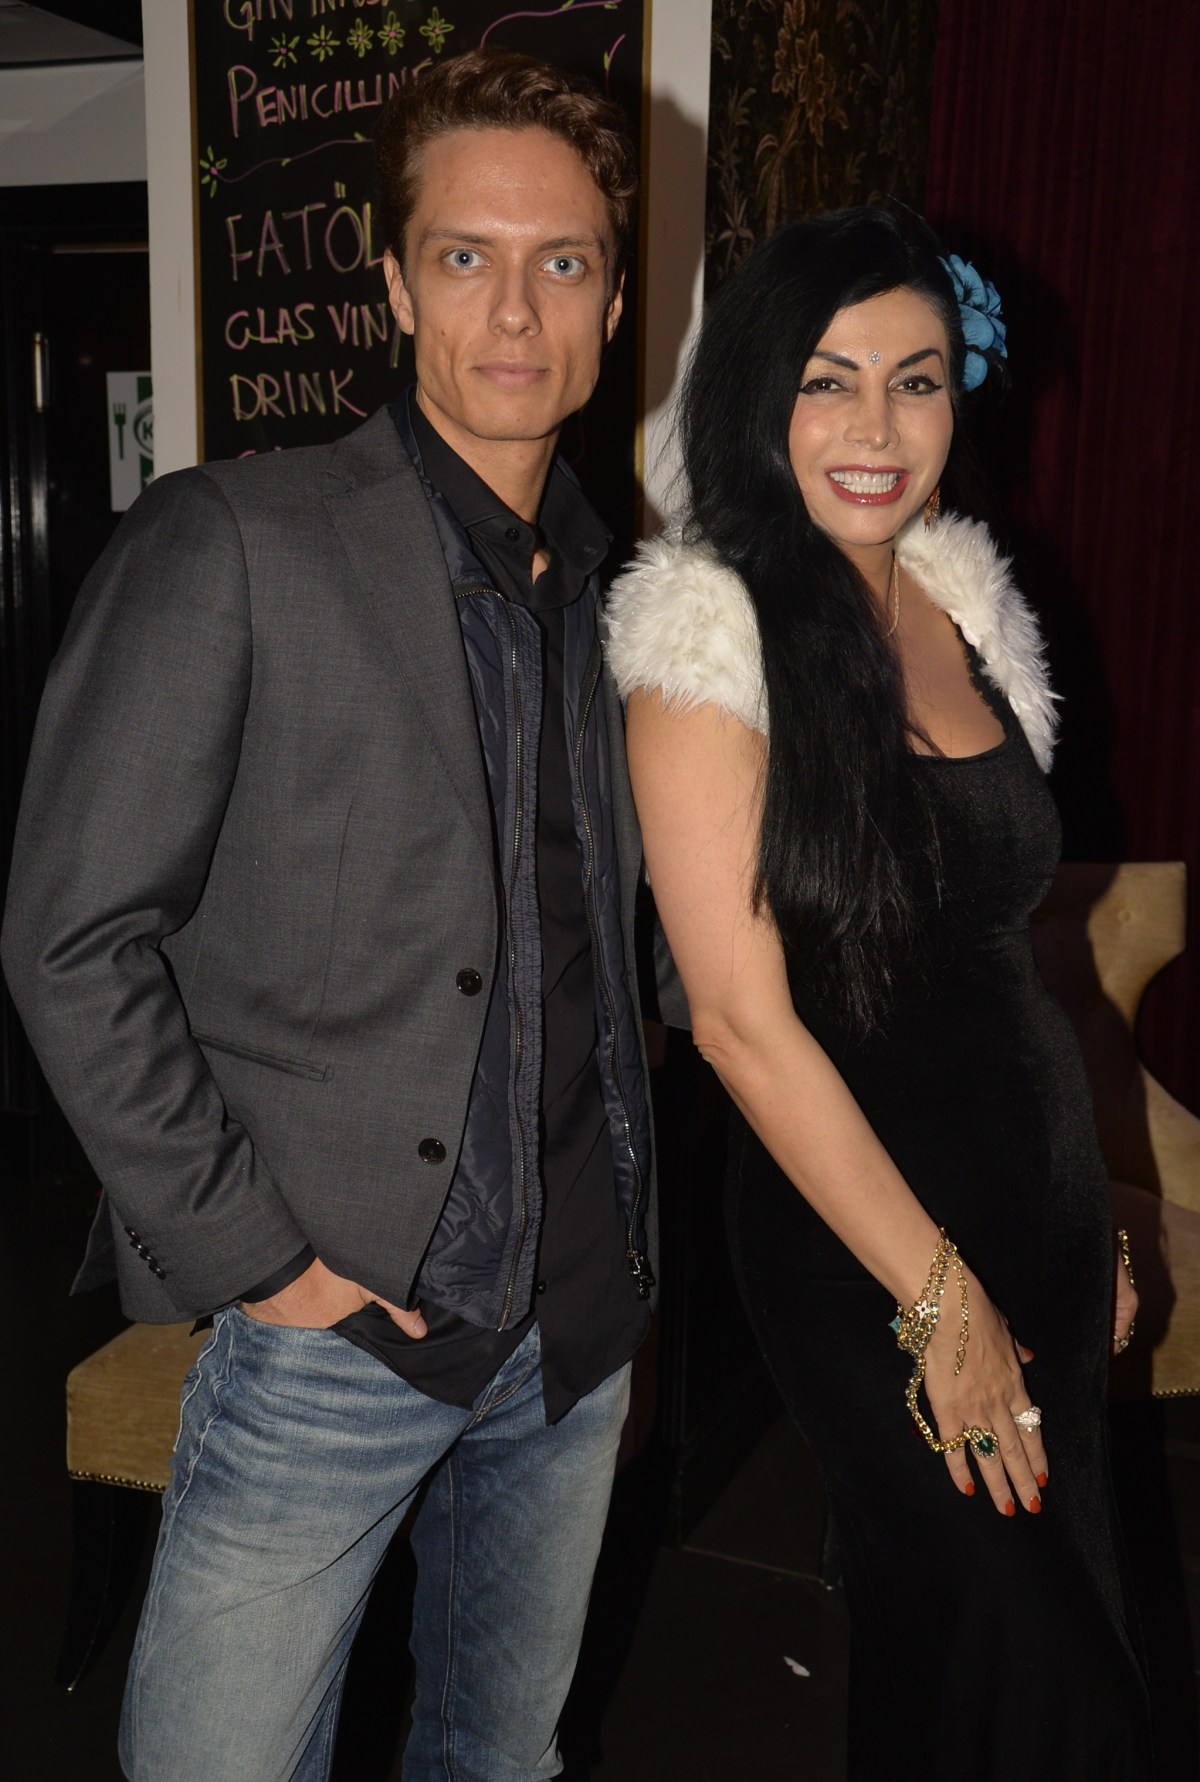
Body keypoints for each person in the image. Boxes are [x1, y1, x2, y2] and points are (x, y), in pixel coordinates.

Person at [2, 49, 657, 1782]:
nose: (514, 308)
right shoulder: (233, 537)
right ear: (393, 284)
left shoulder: (624, 599)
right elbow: (71, 936)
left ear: (612, 301)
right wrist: (264, 1262)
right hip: (334, 1322)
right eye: (465, 256)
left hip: (576, 1326)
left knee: (501, 1758)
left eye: (563, 261)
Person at [605, 208, 1154, 1778]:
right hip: (876, 1256)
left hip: (1035, 1216)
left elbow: (1005, 958)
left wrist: (1091, 1207)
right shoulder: (709, 638)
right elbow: (739, 1023)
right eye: (829, 380)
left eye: (916, 380)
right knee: (1022, 1656)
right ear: (757, 394)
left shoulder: (960, 596)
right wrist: (942, 1298)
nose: (877, 427)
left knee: (1016, 1655)